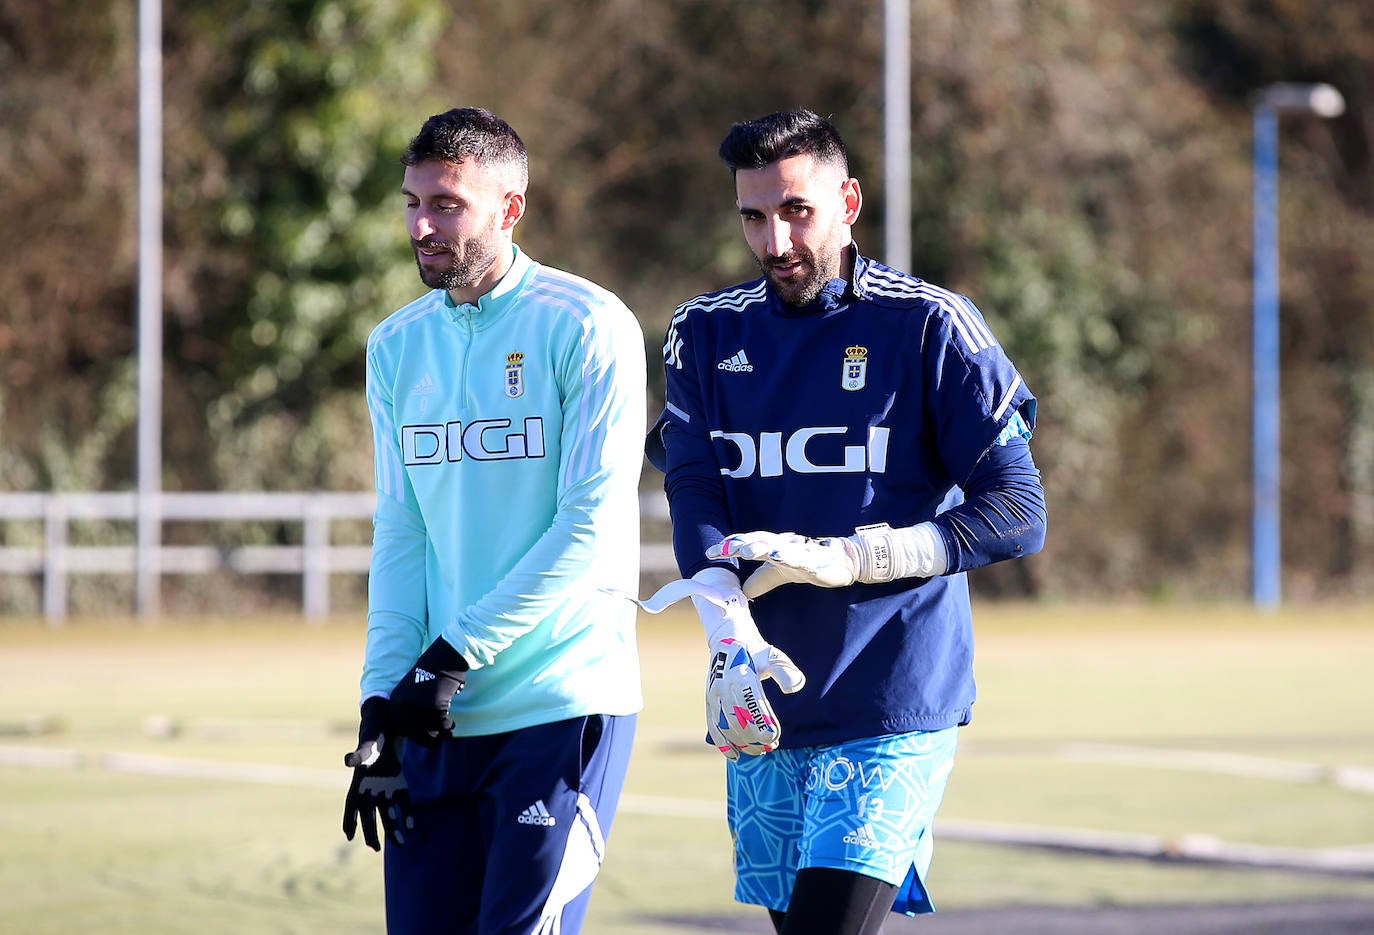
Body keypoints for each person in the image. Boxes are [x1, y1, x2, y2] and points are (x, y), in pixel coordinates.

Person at [644, 110, 1047, 935]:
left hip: (894, 695)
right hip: (764, 701)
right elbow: (693, 488)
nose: (776, 240)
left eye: (798, 210)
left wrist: (855, 558)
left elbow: (1019, 510)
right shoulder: (705, 330)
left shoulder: (931, 324)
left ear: (849, 200)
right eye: (754, 216)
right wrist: (726, 631)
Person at [340, 106, 647, 935]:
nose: (422, 226)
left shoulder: (588, 324)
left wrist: (455, 650)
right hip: (438, 712)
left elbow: (588, 526)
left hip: (559, 702)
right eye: (412, 203)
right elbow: (403, 532)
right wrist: (380, 696)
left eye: (448, 205)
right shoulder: (396, 346)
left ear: (510, 209)